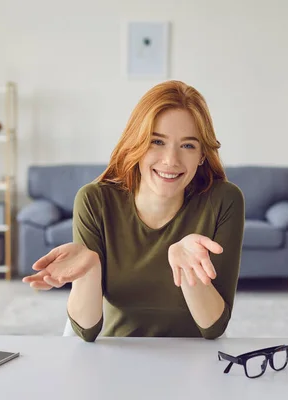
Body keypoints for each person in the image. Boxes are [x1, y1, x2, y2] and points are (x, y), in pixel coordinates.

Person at [22, 80, 245, 342]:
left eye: (188, 145)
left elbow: (213, 327)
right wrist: (90, 271)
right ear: (136, 144)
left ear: (202, 156)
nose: (171, 160)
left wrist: (188, 272)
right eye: (157, 142)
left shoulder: (224, 200)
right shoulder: (95, 200)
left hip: (195, 358)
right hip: (117, 355)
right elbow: (87, 331)